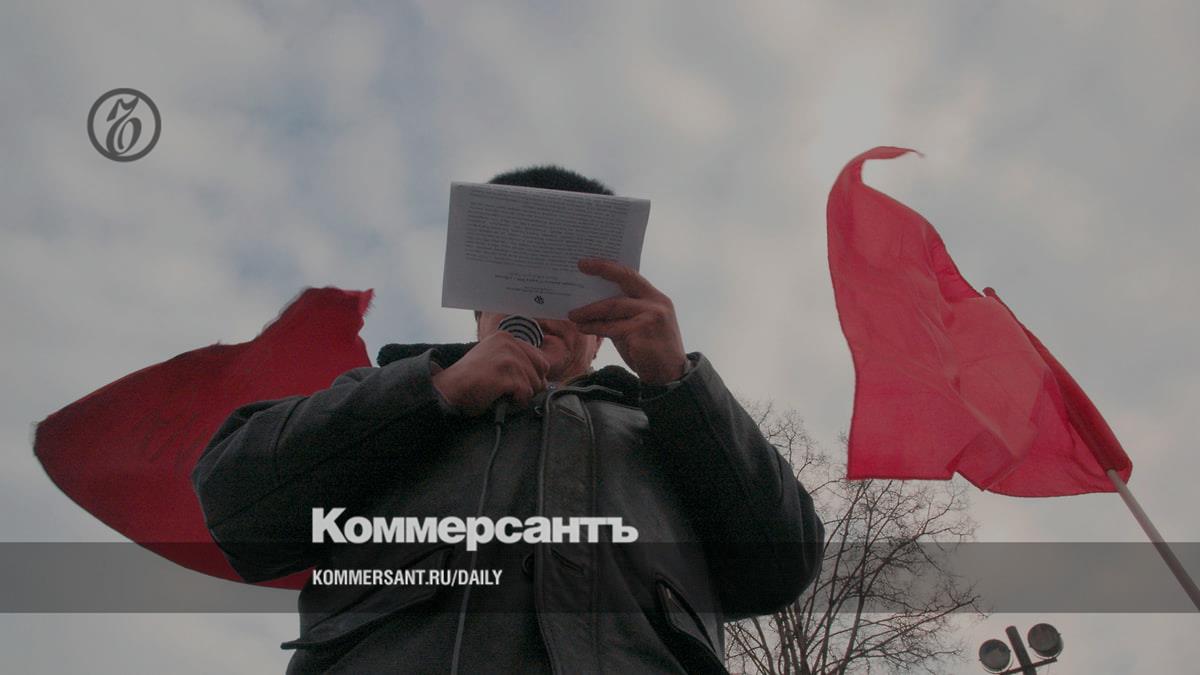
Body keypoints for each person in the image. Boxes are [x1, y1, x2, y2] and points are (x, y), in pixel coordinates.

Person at [191, 166, 825, 674]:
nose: (538, 307)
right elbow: (234, 503)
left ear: (601, 334)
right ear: (478, 316)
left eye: (567, 293)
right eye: (514, 284)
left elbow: (782, 568)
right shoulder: (383, 394)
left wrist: (679, 383)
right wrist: (435, 393)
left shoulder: (670, 426)